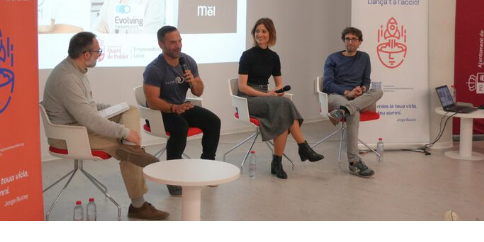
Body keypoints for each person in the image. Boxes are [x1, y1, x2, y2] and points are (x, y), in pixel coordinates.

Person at [42, 32, 169, 220]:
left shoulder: (77, 70)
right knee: (124, 147)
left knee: (130, 110)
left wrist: (115, 109)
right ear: (86, 54)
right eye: (98, 51)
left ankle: (130, 148)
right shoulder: (67, 77)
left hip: (81, 126)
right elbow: (89, 118)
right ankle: (138, 204)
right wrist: (124, 132)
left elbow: (89, 107)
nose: (99, 55)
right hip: (70, 136)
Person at [237, 18, 324, 179]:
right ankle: (302, 148)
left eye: (264, 31)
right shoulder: (247, 55)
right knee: (284, 105)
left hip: (265, 97)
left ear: (271, 34)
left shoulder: (274, 57)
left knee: (283, 113)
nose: (260, 34)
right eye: (257, 31)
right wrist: (267, 95)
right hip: (248, 99)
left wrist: (278, 91)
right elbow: (242, 87)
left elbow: (279, 84)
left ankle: (278, 162)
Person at [143, 25, 221, 196]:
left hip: (180, 107)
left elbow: (198, 92)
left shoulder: (187, 61)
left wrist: (193, 82)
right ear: (161, 44)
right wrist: (173, 108)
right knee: (180, 127)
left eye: (179, 41)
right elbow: (152, 101)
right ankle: (172, 177)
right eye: (173, 42)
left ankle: (208, 165)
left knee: (213, 122)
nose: (178, 45)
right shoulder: (154, 68)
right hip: (159, 112)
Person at [323, 26, 384, 178]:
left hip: (357, 98)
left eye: (354, 39)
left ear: (360, 42)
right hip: (337, 96)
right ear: (344, 41)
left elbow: (366, 82)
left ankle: (343, 111)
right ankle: (354, 162)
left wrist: (362, 89)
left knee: (378, 91)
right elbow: (327, 84)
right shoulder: (332, 58)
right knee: (353, 112)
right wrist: (346, 92)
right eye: (347, 39)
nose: (350, 42)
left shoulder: (364, 57)